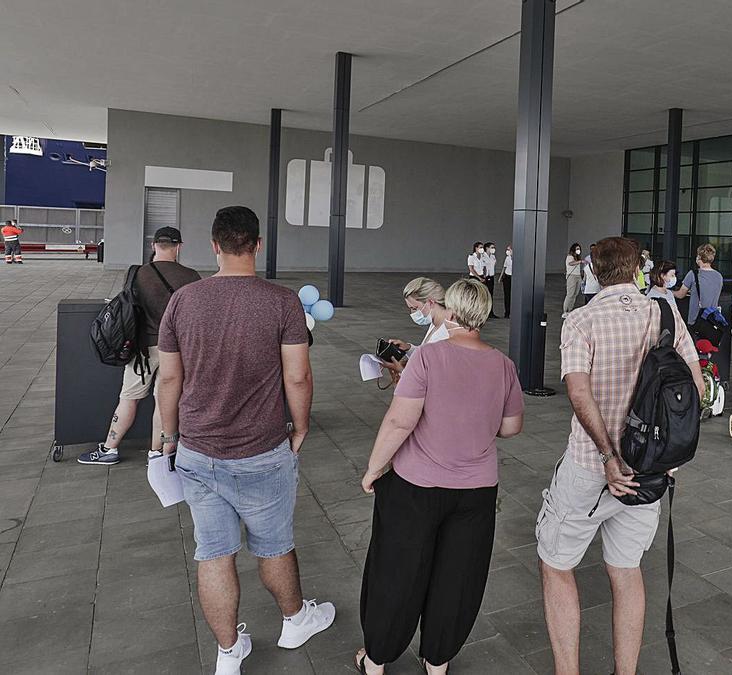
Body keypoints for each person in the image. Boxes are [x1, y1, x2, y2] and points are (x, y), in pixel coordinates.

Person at [156, 206, 335, 674]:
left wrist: (168, 438)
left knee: (214, 554)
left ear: (214, 246)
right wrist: (301, 426)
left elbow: (169, 380)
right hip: (262, 452)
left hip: (197, 450)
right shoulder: (282, 301)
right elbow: (297, 378)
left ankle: (228, 653)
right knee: (274, 545)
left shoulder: (184, 301)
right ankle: (295, 619)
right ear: (257, 245)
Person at [538, 236, 702, 675]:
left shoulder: (581, 320)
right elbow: (696, 389)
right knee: (627, 571)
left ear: (593, 269)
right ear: (637, 270)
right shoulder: (663, 314)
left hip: (591, 468)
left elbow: (577, 391)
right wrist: (669, 456)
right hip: (649, 473)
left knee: (556, 565)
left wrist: (610, 457)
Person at [355, 279, 524, 675]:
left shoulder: (427, 360)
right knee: (458, 578)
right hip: (477, 492)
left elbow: (399, 422)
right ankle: (437, 662)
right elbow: (512, 427)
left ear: (450, 311)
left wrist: (374, 469)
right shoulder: (503, 364)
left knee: (397, 572)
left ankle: (377, 660)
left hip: (415, 487)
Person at [78, 226, 202, 465]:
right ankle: (157, 453)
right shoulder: (191, 276)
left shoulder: (137, 274)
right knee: (163, 400)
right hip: (176, 351)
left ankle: (109, 449)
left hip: (143, 351)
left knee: (128, 398)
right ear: (179, 247)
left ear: (154, 245)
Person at [381, 278, 457, 385]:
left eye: (415, 308)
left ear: (430, 302)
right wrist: (408, 348)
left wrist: (402, 371)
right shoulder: (435, 323)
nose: (412, 313)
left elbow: (433, 377)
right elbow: (427, 356)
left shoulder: (447, 333)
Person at [675, 243, 724, 326]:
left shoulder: (693, 274)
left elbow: (680, 295)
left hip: (696, 320)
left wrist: (668, 291)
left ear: (699, 257)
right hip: (712, 319)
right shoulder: (719, 276)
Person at [563, 242, 584, 317]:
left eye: (579, 249)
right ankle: (565, 311)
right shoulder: (570, 256)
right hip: (572, 276)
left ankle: (570, 310)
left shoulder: (577, 257)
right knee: (570, 294)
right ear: (573, 249)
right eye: (577, 249)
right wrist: (580, 261)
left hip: (578, 276)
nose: (578, 250)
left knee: (575, 294)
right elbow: (571, 263)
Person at [482, 242, 501, 318]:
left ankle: (491, 312)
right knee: (484, 295)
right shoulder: (483, 256)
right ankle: (484, 312)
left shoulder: (493, 256)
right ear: (487, 248)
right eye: (492, 247)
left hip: (491, 277)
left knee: (490, 295)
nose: (493, 249)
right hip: (486, 277)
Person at [502, 244, 513, 318]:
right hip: (507, 277)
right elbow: (504, 267)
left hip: (514, 278)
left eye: (509, 249)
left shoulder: (518, 258)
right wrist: (501, 277)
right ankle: (507, 313)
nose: (507, 251)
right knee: (507, 295)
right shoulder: (507, 258)